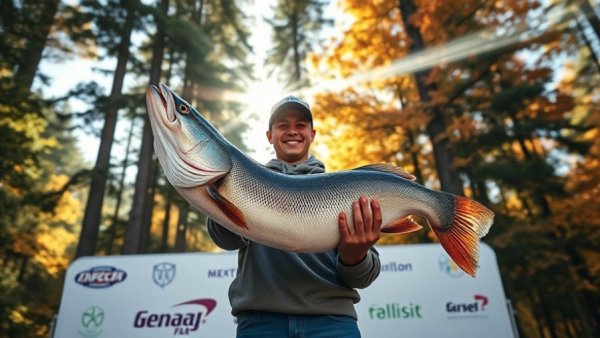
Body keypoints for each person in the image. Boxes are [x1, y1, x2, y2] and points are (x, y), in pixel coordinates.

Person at [207, 95, 385, 338]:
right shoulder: (243, 180)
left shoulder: (346, 189)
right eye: (283, 125)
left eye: (300, 125)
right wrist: (222, 193)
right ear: (269, 136)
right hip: (261, 324)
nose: (292, 131)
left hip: (333, 324)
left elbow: (364, 276)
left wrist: (354, 257)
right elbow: (225, 239)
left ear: (312, 134)